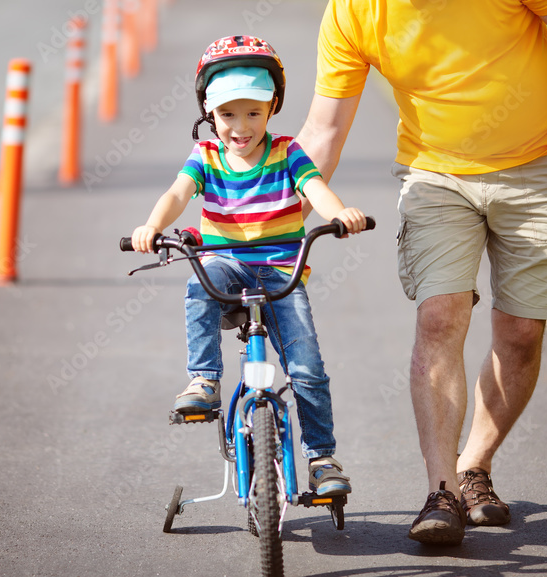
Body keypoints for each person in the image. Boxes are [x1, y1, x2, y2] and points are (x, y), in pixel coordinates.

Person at [296, 0, 547, 544]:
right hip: (436, 174)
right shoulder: (353, 11)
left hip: (538, 164)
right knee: (438, 316)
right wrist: (270, 225)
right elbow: (322, 132)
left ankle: (473, 466)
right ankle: (442, 492)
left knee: (522, 332)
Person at [131, 35, 369, 496]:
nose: (240, 127)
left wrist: (338, 213)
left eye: (253, 112)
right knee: (199, 285)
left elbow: (315, 189)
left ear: (273, 106)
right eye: (227, 114)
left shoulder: (286, 153)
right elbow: (178, 194)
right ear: (208, 112)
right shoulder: (207, 156)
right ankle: (204, 379)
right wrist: (151, 225)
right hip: (224, 264)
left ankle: (321, 458)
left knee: (307, 370)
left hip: (281, 273)